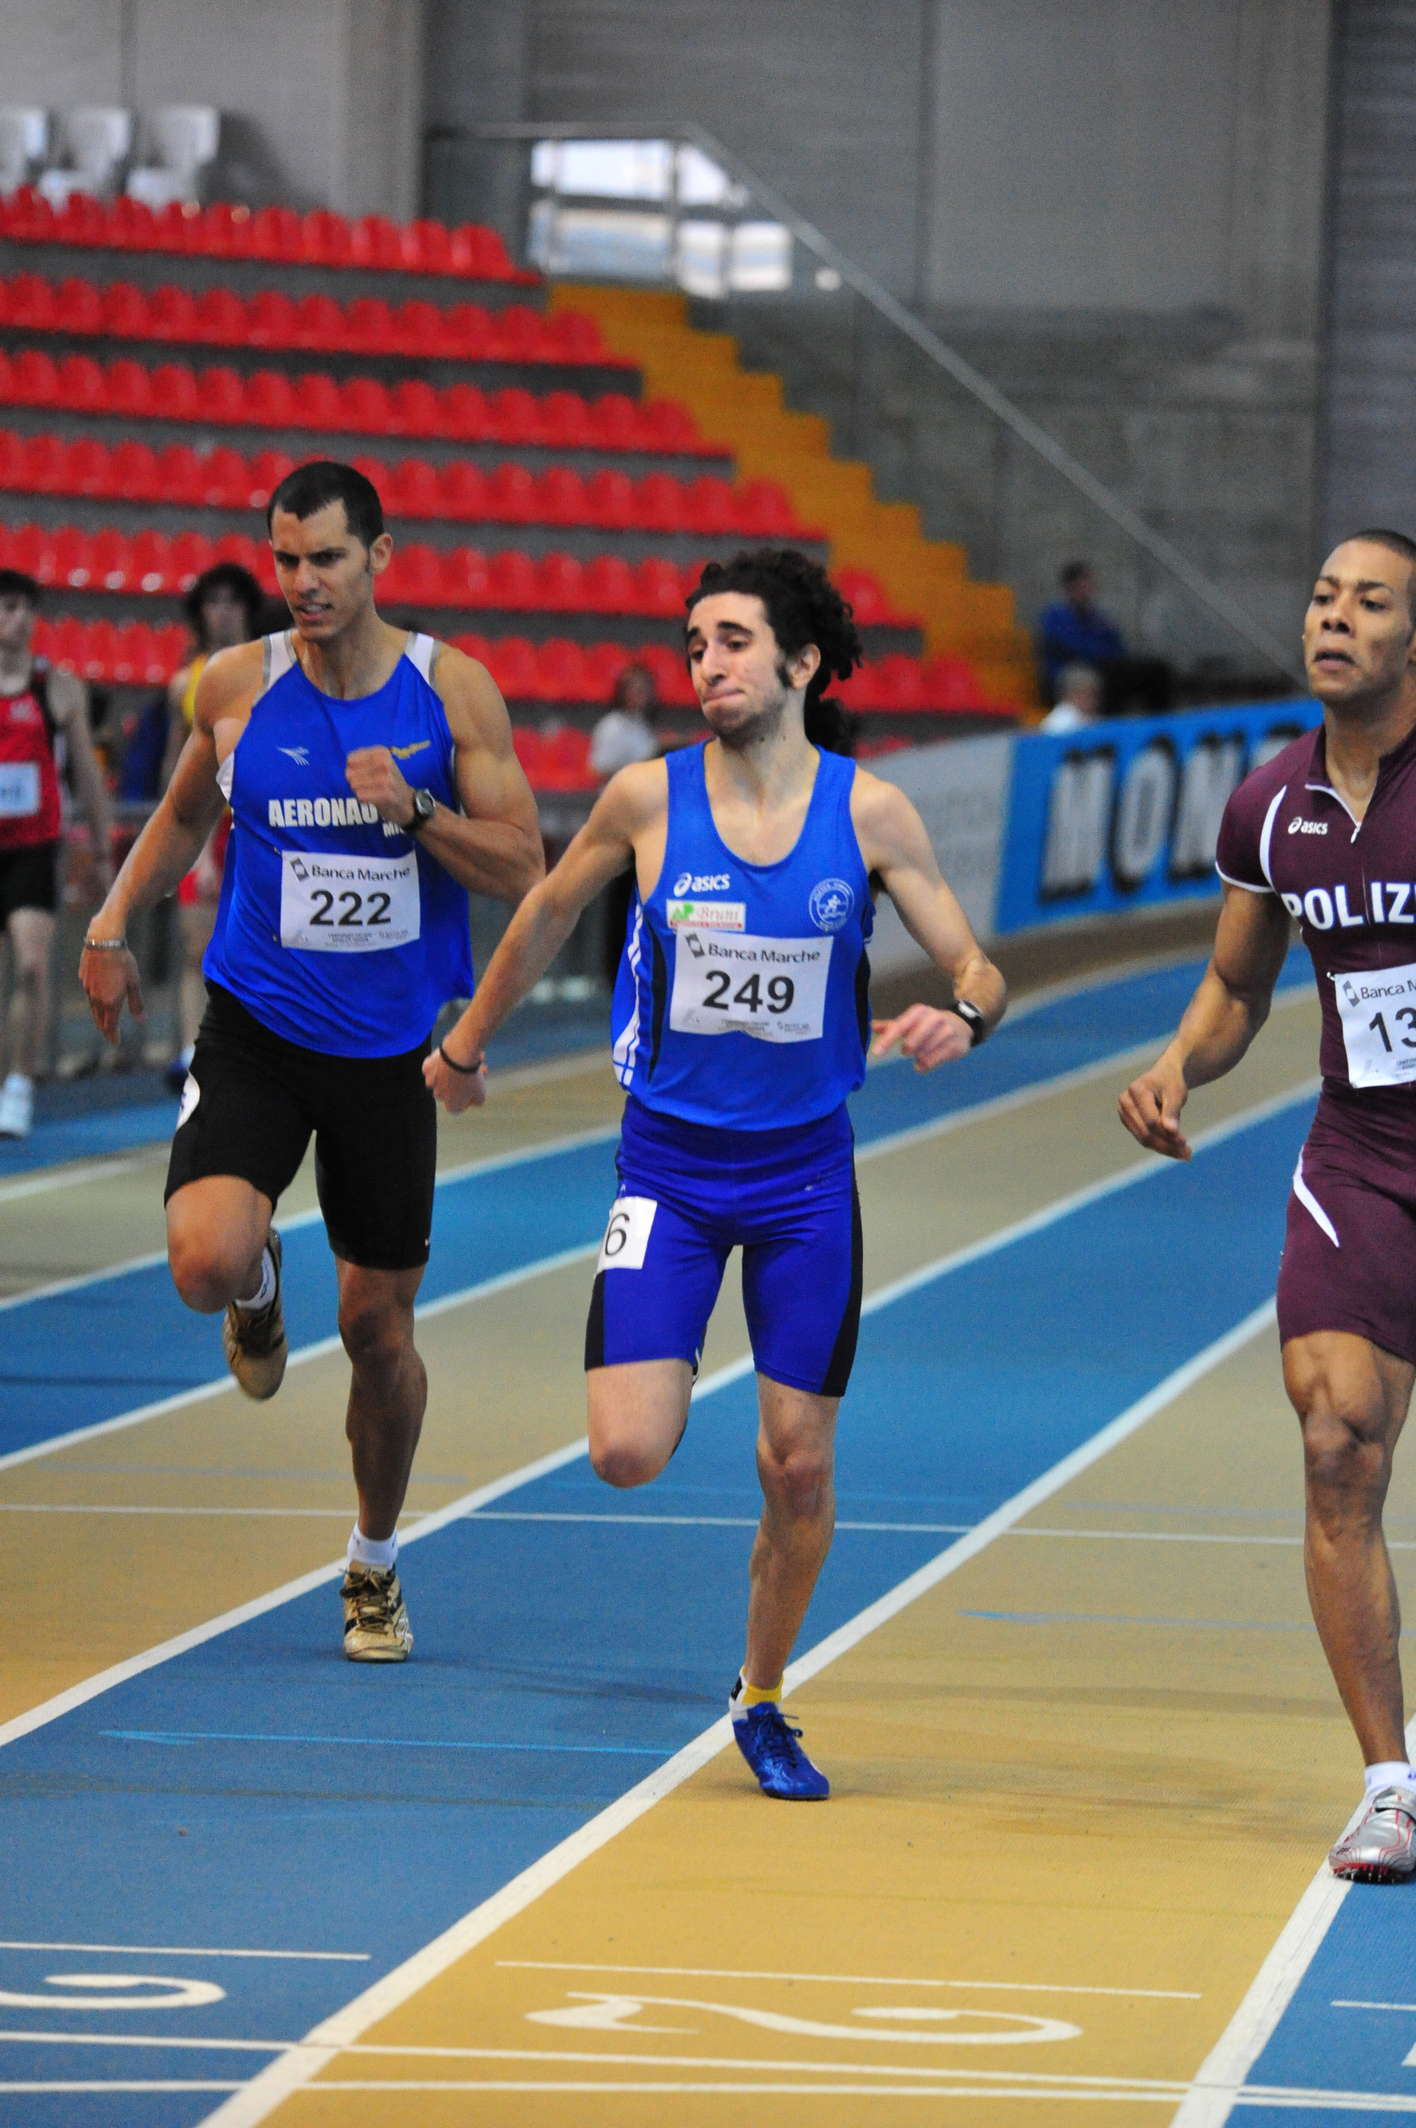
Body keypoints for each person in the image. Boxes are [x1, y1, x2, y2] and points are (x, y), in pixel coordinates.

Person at [426, 546, 1006, 1798]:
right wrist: (465, 1042)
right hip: (669, 1174)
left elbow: (977, 965)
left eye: (734, 640)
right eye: (695, 644)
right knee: (626, 1451)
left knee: (796, 1463)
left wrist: (964, 1012)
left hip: (805, 1184)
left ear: (802, 661)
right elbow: (547, 910)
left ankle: (762, 1694)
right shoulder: (646, 799)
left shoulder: (870, 812)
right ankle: (669, 1352)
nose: (708, 663)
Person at [79, 460, 544, 1660]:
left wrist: (417, 814)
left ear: (379, 556)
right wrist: (112, 921)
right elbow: (185, 815)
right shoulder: (236, 684)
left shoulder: (452, 691)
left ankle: (373, 1563)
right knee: (204, 1259)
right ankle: (256, 1288)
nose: (303, 581)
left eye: (327, 557)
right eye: (286, 559)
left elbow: (524, 870)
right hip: (258, 1028)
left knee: (379, 1334)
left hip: (387, 1056)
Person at [1119, 527, 1416, 1883]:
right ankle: (1391, 1785)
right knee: (1337, 1439)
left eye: (1371, 601)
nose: (1336, 618)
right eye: (1322, 597)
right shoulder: (1270, 806)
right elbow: (1240, 986)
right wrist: (1178, 1064)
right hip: (1365, 1156)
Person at [0, 568, 114, 1139]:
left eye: (25, 608)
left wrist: (102, 849)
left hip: (33, 848)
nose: (17, 618)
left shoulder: (57, 686)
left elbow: (87, 776)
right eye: (6, 607)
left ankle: (20, 1084)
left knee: (30, 965)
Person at [162, 562, 267, 1091]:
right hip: (207, 826)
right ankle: (190, 1051)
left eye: (232, 601)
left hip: (258, 827)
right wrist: (187, 841)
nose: (222, 613)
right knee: (194, 944)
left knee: (256, 946)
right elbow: (175, 764)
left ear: (248, 609)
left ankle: (250, 1049)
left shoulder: (274, 672)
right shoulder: (186, 682)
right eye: (212, 602)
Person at [592, 662, 661, 988]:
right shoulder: (613, 727)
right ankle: (612, 973)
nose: (639, 695)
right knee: (618, 902)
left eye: (643, 688)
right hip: (620, 824)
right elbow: (601, 767)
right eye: (633, 688)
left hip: (642, 824)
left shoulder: (642, 727)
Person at [1037, 560, 1173, 715]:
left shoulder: (1097, 617)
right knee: (1112, 676)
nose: (1088, 589)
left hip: (1105, 664)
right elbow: (1073, 647)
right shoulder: (1055, 616)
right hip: (1072, 668)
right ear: (1071, 586)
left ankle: (1162, 720)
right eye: (1083, 584)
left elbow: (1116, 645)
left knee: (1155, 670)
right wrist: (1101, 654)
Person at [1038, 661, 1103, 733]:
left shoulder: (1091, 717)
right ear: (1069, 694)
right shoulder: (1060, 720)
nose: (1091, 701)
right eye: (1085, 694)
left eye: (1094, 695)